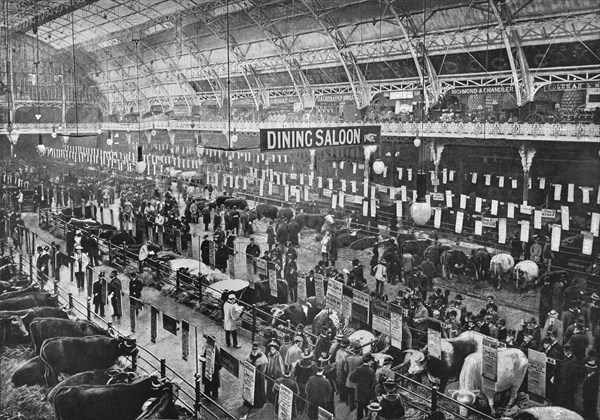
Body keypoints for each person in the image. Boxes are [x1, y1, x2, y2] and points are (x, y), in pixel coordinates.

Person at [350, 353, 376, 420]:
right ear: (369, 361)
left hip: (359, 392)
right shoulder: (371, 371)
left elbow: (351, 378)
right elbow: (374, 383)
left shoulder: (358, 369)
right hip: (368, 393)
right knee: (368, 409)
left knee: (359, 409)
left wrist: (358, 382)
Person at [244, 342, 268, 408]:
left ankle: (258, 401)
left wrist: (261, 370)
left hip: (258, 375)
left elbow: (265, 363)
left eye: (255, 349)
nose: (254, 350)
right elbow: (246, 362)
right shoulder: (249, 356)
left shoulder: (261, 356)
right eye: (253, 349)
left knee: (258, 388)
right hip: (251, 375)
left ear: (257, 349)